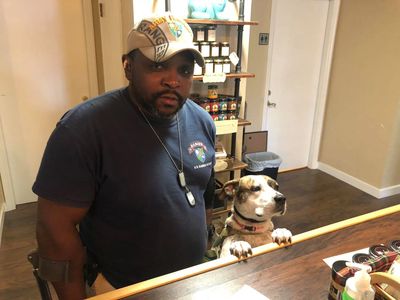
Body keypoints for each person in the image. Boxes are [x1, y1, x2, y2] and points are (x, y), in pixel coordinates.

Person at [33, 12, 215, 299]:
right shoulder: (82, 130)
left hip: (191, 282)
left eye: (184, 70)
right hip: (119, 287)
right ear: (128, 67)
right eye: (158, 66)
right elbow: (53, 231)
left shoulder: (203, 122)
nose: (173, 81)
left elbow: (202, 193)